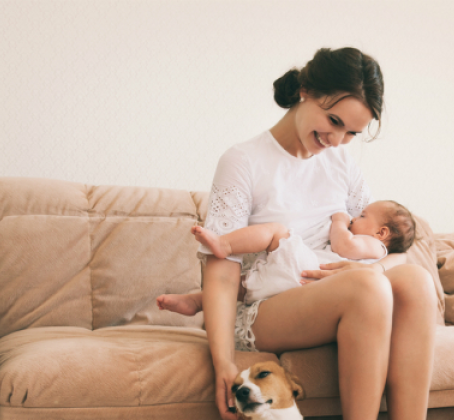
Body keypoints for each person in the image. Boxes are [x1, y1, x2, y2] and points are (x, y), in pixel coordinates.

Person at [173, 47, 437, 420]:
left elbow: (388, 247)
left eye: (352, 132)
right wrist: (223, 362)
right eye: (334, 120)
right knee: (366, 286)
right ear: (305, 91)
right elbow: (221, 270)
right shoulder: (243, 161)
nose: (337, 140)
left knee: (417, 281)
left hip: (339, 292)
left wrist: (371, 269)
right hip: (268, 304)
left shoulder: (342, 163)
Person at [168, 200, 416, 305]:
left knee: (277, 232)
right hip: (301, 284)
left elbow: (345, 246)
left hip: (308, 271)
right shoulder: (376, 248)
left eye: (362, 216)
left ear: (381, 233)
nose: (354, 218)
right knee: (242, 288)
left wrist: (339, 221)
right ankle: (196, 302)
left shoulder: (376, 247)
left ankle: (226, 245)